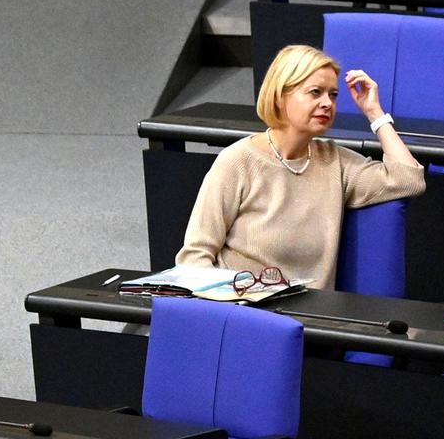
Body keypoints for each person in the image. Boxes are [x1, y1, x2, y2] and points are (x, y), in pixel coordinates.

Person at [178, 43, 425, 289]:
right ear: (279, 96)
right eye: (315, 92)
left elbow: (409, 179)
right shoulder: (237, 160)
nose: (327, 103)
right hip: (241, 309)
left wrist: (375, 113)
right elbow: (194, 258)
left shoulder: (334, 162)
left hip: (308, 316)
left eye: (333, 95)